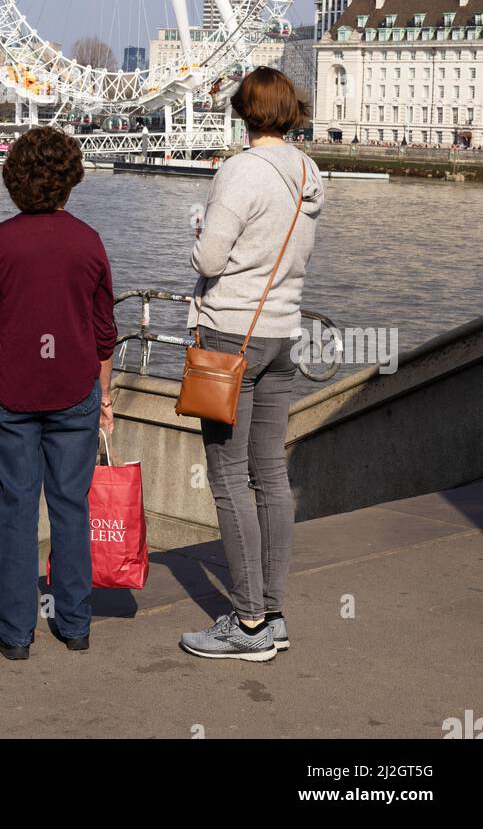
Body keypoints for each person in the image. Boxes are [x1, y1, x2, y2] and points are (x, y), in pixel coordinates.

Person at [0, 126, 116, 660]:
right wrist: (104, 398)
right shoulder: (89, 241)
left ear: (14, 180)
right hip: (74, 390)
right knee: (71, 506)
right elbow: (104, 332)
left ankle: (16, 633)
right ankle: (76, 624)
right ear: (71, 181)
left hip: (12, 390)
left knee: (16, 506)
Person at [180, 68, 323, 663]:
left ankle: (246, 621)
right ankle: (272, 612)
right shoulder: (310, 173)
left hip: (230, 332)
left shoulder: (240, 170)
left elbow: (212, 255)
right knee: (270, 472)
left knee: (227, 475)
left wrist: (197, 229)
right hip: (283, 332)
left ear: (245, 112)